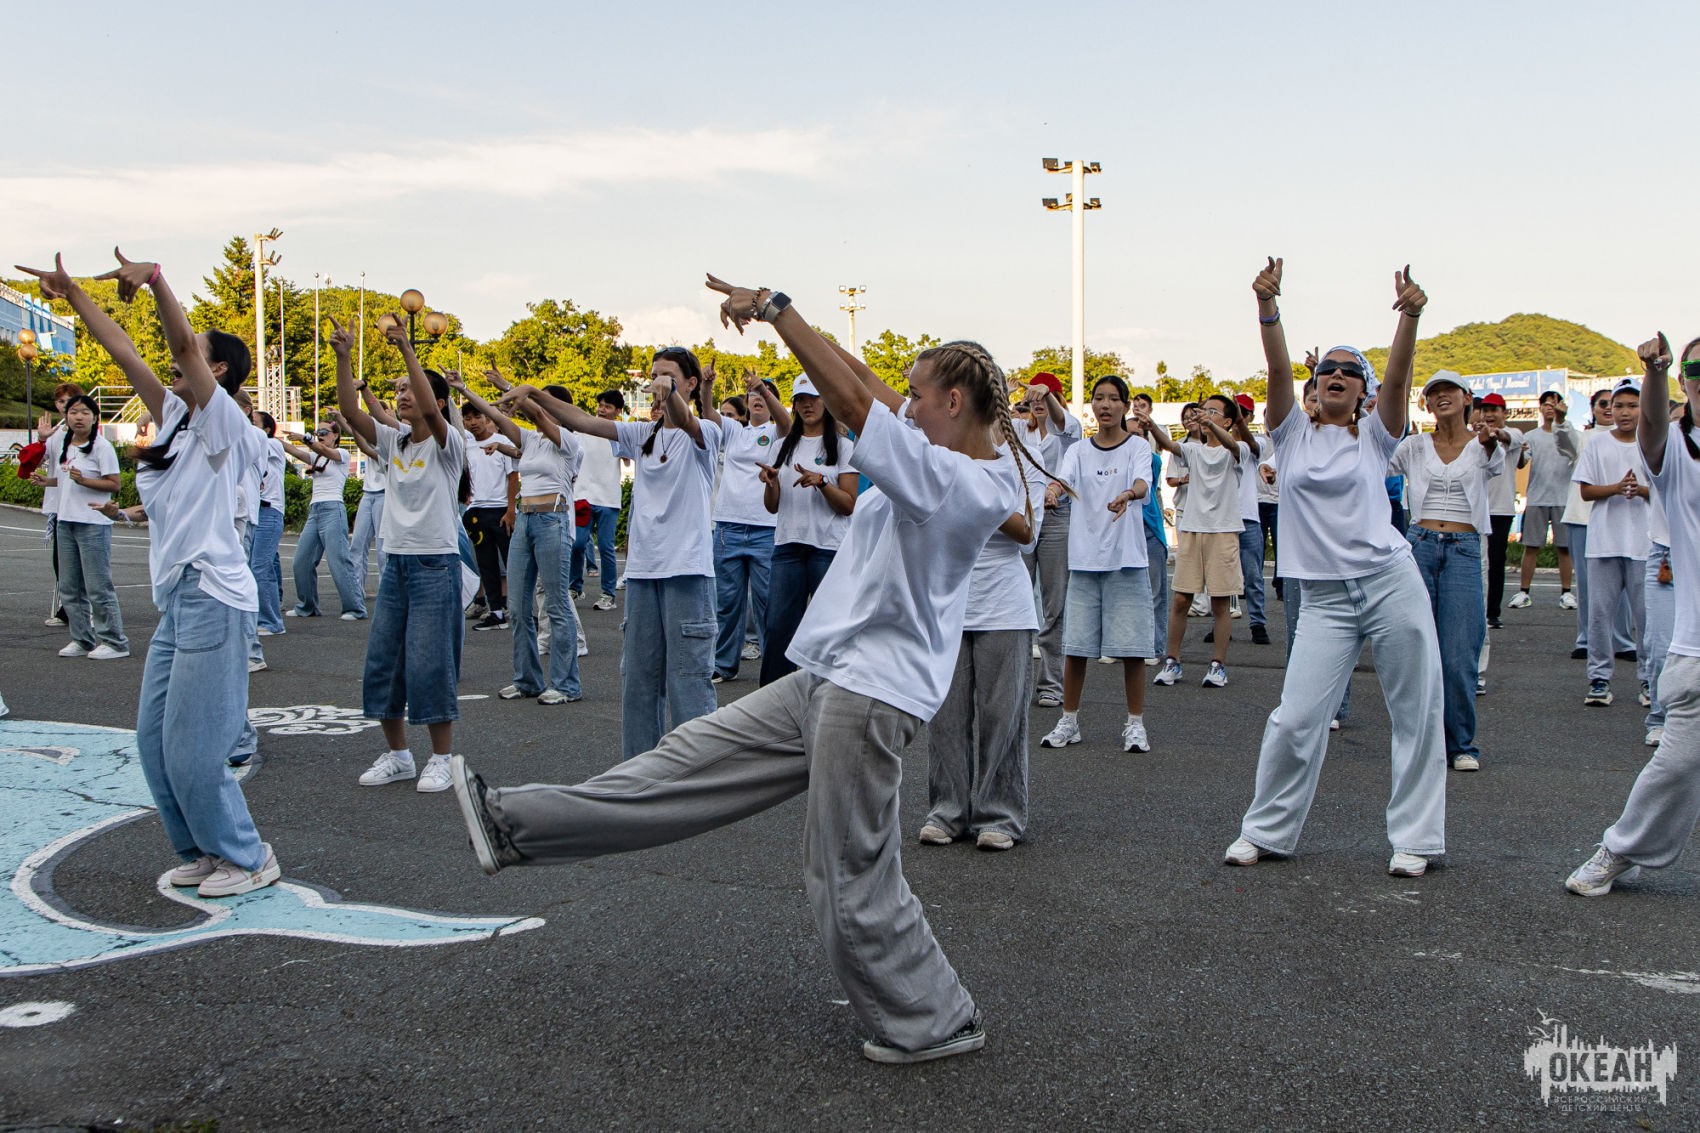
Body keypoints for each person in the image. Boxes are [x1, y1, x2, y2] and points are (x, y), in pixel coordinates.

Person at [450, 277, 1036, 1065]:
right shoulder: (935, 447)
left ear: (955, 402)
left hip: (873, 693)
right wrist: (807, 326)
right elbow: (868, 386)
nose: (905, 404)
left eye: (919, 394)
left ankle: (934, 1017)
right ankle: (515, 824)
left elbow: (858, 402)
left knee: (847, 872)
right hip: (828, 676)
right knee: (679, 764)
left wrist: (776, 312)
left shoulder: (961, 480)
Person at [19, 251, 281, 897]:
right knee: (154, 743)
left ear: (218, 371)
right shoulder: (173, 420)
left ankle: (248, 856)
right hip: (178, 601)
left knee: (195, 749)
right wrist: (73, 294)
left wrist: (159, 279)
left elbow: (182, 343)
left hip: (214, 597)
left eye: (195, 358)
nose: (173, 361)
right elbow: (123, 347)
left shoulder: (226, 423)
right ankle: (204, 850)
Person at [1226, 257, 1446, 878]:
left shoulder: (1376, 435)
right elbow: (1276, 369)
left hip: (1390, 584)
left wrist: (1410, 317)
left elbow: (1399, 378)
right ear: (1314, 385)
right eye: (1328, 369)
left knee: (1415, 713)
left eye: (1351, 371)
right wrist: (1268, 307)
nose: (1338, 375)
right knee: (1296, 718)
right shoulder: (1291, 434)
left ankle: (1416, 839)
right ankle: (1266, 831)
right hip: (1322, 598)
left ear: (1365, 393)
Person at [513, 349, 721, 760]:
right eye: (655, 375)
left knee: (689, 682)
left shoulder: (708, 432)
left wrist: (671, 395)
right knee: (638, 681)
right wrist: (534, 393)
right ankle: (639, 771)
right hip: (643, 574)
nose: (658, 383)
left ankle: (698, 773)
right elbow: (582, 420)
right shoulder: (641, 434)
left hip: (688, 573)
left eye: (669, 377)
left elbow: (688, 420)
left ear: (691, 383)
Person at [1565, 332, 1700, 896]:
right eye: (1696, 371)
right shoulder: (1676, 453)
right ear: (1686, 384)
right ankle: (1619, 850)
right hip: (1697, 644)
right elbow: (1651, 431)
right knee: (1676, 762)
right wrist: (1656, 372)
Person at [334, 315, 468, 794]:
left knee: (430, 664)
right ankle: (398, 755)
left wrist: (407, 348)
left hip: (436, 564)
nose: (402, 395)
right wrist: (344, 357)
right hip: (396, 564)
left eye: (409, 388)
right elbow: (350, 412)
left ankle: (442, 759)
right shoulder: (394, 442)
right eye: (397, 390)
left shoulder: (450, 445)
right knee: (383, 663)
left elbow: (430, 408)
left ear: (436, 400)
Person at [919, 442, 1046, 851]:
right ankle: (948, 811)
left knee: (1002, 717)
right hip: (947, 602)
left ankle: (1000, 814)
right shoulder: (940, 455)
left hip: (1005, 606)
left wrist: (975, 497)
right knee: (946, 717)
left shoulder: (1022, 459)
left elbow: (1027, 533)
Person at [1388, 372, 1505, 772]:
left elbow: (1496, 457)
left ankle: (1461, 744)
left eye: (1448, 390)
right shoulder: (1414, 446)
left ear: (1466, 397)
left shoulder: (1482, 445)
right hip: (1419, 544)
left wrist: (1491, 439)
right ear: (1425, 403)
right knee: (1415, 649)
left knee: (1458, 654)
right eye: (1433, 392)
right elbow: (1373, 461)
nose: (1441, 396)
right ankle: (1418, 740)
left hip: (1464, 549)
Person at [1038, 375, 1153, 751]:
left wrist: (1128, 494)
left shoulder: (1137, 446)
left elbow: (1143, 483)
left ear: (1125, 406)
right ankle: (1069, 721)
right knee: (1076, 648)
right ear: (1092, 405)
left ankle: (1135, 724)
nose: (1105, 405)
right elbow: (1062, 480)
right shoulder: (1078, 451)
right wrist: (1052, 490)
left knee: (1133, 650)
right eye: (1099, 398)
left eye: (1113, 399)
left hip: (1126, 560)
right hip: (1085, 561)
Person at [469, 379, 583, 706]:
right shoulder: (532, 440)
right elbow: (496, 415)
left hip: (552, 521)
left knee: (557, 605)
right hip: (525, 520)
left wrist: (523, 392)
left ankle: (566, 685)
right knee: (518, 608)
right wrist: (463, 388)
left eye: (548, 404)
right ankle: (527, 680)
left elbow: (537, 414)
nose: (542, 410)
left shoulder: (570, 442)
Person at [758, 374, 859, 686]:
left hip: (828, 548)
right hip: (787, 545)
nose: (807, 405)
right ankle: (773, 697)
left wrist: (822, 482)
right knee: (778, 627)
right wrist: (771, 483)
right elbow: (772, 507)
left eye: (813, 398)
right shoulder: (780, 447)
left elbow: (848, 504)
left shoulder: (843, 446)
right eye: (800, 399)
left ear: (826, 400)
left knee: (829, 629)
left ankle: (832, 694)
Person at [1148, 395, 1246, 687]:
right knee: (1181, 599)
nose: (1204, 416)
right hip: (1191, 529)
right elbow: (1170, 445)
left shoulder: (1237, 450)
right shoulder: (1193, 450)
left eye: (1213, 412)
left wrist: (1212, 426)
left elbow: (1232, 446)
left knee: (1220, 602)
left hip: (1223, 531)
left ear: (1227, 421)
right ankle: (1172, 662)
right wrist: (1150, 424)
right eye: (1203, 412)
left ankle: (1218, 666)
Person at [1573, 379, 1650, 707]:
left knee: (1646, 618)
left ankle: (1649, 680)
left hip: (1644, 544)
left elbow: (1665, 491)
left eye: (1632, 405)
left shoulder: (1653, 443)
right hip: (1603, 542)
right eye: (1618, 406)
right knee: (1599, 615)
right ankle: (1599, 679)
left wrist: (1640, 490)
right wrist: (1617, 488)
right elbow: (1586, 491)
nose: (1624, 412)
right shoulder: (1597, 444)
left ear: (1643, 408)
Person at [711, 371, 789, 682]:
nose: (757, 399)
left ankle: (773, 671)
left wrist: (763, 389)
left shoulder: (777, 432)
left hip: (765, 528)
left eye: (764, 395)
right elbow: (707, 415)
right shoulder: (734, 430)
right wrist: (706, 386)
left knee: (768, 603)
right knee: (727, 603)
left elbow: (787, 423)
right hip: (728, 527)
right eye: (752, 395)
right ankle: (723, 664)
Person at [42, 394, 129, 660]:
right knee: (69, 586)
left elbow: (114, 483)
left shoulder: (101, 447)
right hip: (66, 521)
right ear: (66, 417)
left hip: (92, 523)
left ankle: (115, 641)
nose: (78, 417)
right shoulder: (65, 445)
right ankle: (81, 639)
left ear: (94, 418)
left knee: (97, 586)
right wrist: (46, 482)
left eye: (84, 412)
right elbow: (65, 480)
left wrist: (85, 481)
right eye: (73, 412)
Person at [1015, 373, 1082, 706]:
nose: (1038, 403)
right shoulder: (1019, 429)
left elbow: (1062, 423)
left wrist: (1048, 397)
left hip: (1057, 518)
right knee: (1018, 597)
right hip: (1023, 515)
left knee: (1055, 605)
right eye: (1034, 398)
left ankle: (1051, 684)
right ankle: (1018, 683)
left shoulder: (1069, 430)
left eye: (1046, 397)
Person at [1562, 389, 1638, 661]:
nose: (1609, 409)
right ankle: (1586, 639)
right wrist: (1560, 420)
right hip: (1582, 518)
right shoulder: (1586, 437)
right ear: (1593, 408)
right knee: (1588, 587)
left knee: (1625, 589)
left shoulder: (1640, 439)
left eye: (1631, 405)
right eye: (1604, 404)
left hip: (1622, 521)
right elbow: (1564, 440)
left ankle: (1623, 641)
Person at [283, 420, 367, 620]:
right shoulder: (316, 457)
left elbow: (322, 449)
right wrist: (268, 436)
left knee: (338, 561)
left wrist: (305, 438)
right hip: (315, 511)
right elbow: (295, 452)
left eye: (324, 432)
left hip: (333, 509)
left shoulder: (341, 455)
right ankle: (307, 607)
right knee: (301, 561)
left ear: (335, 436)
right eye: (317, 432)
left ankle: (355, 608)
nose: (320, 435)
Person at [1509, 389, 1580, 610]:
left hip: (1563, 498)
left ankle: (1567, 593)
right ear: (1540, 408)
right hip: (1537, 498)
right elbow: (1521, 463)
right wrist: (1520, 453)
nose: (1551, 408)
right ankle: (1524, 592)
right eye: (1547, 404)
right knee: (1531, 547)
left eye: (1555, 404)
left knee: (1564, 548)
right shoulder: (1531, 436)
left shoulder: (1570, 433)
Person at [460, 396, 517, 631]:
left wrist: (511, 510)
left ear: (486, 418)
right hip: (476, 512)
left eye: (477, 416)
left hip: (501, 511)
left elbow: (513, 476)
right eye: (467, 418)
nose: (472, 422)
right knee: (486, 564)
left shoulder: (502, 442)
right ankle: (496, 613)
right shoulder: (466, 446)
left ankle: (520, 611)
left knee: (514, 564)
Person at [1475, 393, 1529, 629]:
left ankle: (1492, 613)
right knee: (1475, 562)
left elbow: (1506, 437)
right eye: (1485, 410)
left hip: (1501, 509)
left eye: (1494, 410)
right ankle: (1476, 609)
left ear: (1504, 413)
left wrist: (1492, 434)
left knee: (1496, 562)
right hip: (1476, 507)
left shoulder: (1515, 434)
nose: (1489, 414)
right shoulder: (1474, 436)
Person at [572, 390, 625, 612]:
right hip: (582, 495)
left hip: (608, 498)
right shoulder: (582, 429)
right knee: (576, 544)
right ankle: (575, 587)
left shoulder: (621, 433)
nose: (602, 410)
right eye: (600, 405)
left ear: (618, 411)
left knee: (605, 547)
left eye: (608, 407)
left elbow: (631, 457)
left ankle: (608, 594)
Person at [35, 383, 83, 627]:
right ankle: (68, 607)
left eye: (70, 401)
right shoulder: (54, 435)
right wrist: (41, 440)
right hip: (59, 506)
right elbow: (32, 463)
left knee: (84, 561)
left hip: (82, 506)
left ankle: (84, 608)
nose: (66, 406)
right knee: (61, 560)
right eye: (62, 402)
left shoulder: (88, 434)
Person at [1127, 393, 1170, 661]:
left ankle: (1154, 647)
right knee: (1124, 592)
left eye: (1139, 435)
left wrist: (1149, 426)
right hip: (1123, 532)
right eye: (1129, 435)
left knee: (1154, 593)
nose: (1134, 440)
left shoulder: (1152, 459)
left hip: (1149, 530)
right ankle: (1124, 645)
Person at [348, 381, 392, 586]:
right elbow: (359, 437)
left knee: (383, 549)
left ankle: (386, 591)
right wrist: (347, 420)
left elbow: (366, 448)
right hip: (368, 493)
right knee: (357, 544)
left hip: (384, 494)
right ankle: (356, 590)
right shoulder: (369, 433)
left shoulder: (388, 436)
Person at [248, 410, 288, 642]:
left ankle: (271, 622)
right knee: (261, 566)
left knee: (260, 567)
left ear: (266, 429)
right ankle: (265, 616)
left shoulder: (272, 444)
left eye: (253, 423)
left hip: (269, 511)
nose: (249, 426)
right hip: (255, 512)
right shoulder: (255, 447)